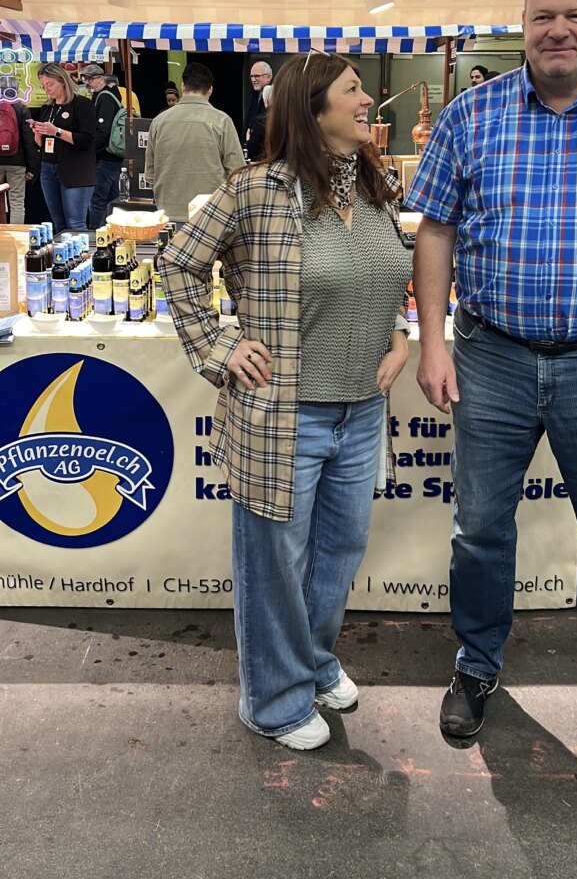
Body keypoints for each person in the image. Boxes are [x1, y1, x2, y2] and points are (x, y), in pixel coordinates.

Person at [407, 0, 577, 771]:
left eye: (574, 16)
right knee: (480, 530)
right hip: (490, 357)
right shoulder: (471, 113)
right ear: (521, 26)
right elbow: (435, 230)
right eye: (541, 17)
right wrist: (430, 340)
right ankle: (476, 668)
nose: (557, 30)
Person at [159, 51, 412, 750]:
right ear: (312, 108)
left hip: (361, 411)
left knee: (337, 554)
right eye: (355, 91)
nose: (369, 102)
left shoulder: (373, 184)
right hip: (284, 415)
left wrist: (396, 332)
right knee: (276, 562)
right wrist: (218, 348)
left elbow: (381, 272)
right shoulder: (254, 190)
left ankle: (311, 663)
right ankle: (271, 699)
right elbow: (177, 261)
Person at [144, 62, 244, 222]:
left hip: (167, 217)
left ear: (183, 87)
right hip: (211, 216)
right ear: (210, 89)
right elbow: (237, 172)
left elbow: (150, 174)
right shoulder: (222, 121)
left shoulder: (159, 122)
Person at [30, 64, 96, 235]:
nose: (47, 89)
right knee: (58, 225)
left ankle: (84, 260)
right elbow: (40, 144)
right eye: (43, 86)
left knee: (75, 224)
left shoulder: (82, 104)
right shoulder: (47, 107)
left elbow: (86, 140)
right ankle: (64, 260)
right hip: (48, 168)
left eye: (50, 84)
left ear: (63, 81)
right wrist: (38, 133)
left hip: (75, 170)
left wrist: (56, 132)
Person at [82, 66, 124, 229]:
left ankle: (96, 234)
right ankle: (114, 231)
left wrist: (91, 153)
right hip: (113, 155)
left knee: (97, 199)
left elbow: (103, 131)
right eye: (85, 79)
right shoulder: (111, 95)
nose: (87, 83)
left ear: (102, 78)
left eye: (91, 79)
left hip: (105, 156)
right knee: (113, 199)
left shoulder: (104, 97)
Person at [0, 97, 39, 224]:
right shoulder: (21, 108)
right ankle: (16, 234)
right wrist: (31, 166)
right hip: (17, 161)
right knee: (16, 202)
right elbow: (29, 139)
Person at [242, 60, 272, 148]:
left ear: (269, 77)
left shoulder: (274, 95)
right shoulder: (253, 95)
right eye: (251, 76)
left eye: (257, 76)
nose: (253, 80)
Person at [246, 82, 272, 162]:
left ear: (265, 100)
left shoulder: (261, 121)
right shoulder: (289, 117)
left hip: (264, 163)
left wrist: (248, 140)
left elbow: (252, 149)